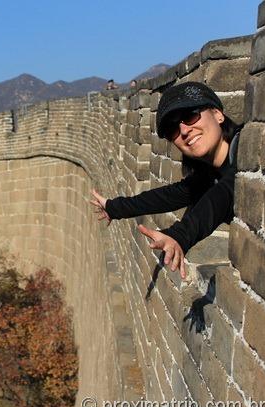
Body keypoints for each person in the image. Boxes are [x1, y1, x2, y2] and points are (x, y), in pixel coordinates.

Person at [90, 82, 242, 279]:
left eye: (190, 116)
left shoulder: (249, 148)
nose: (184, 131)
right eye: (173, 130)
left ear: (217, 114)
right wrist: (114, 207)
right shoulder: (210, 174)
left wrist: (180, 235)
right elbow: (170, 196)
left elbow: (229, 190)